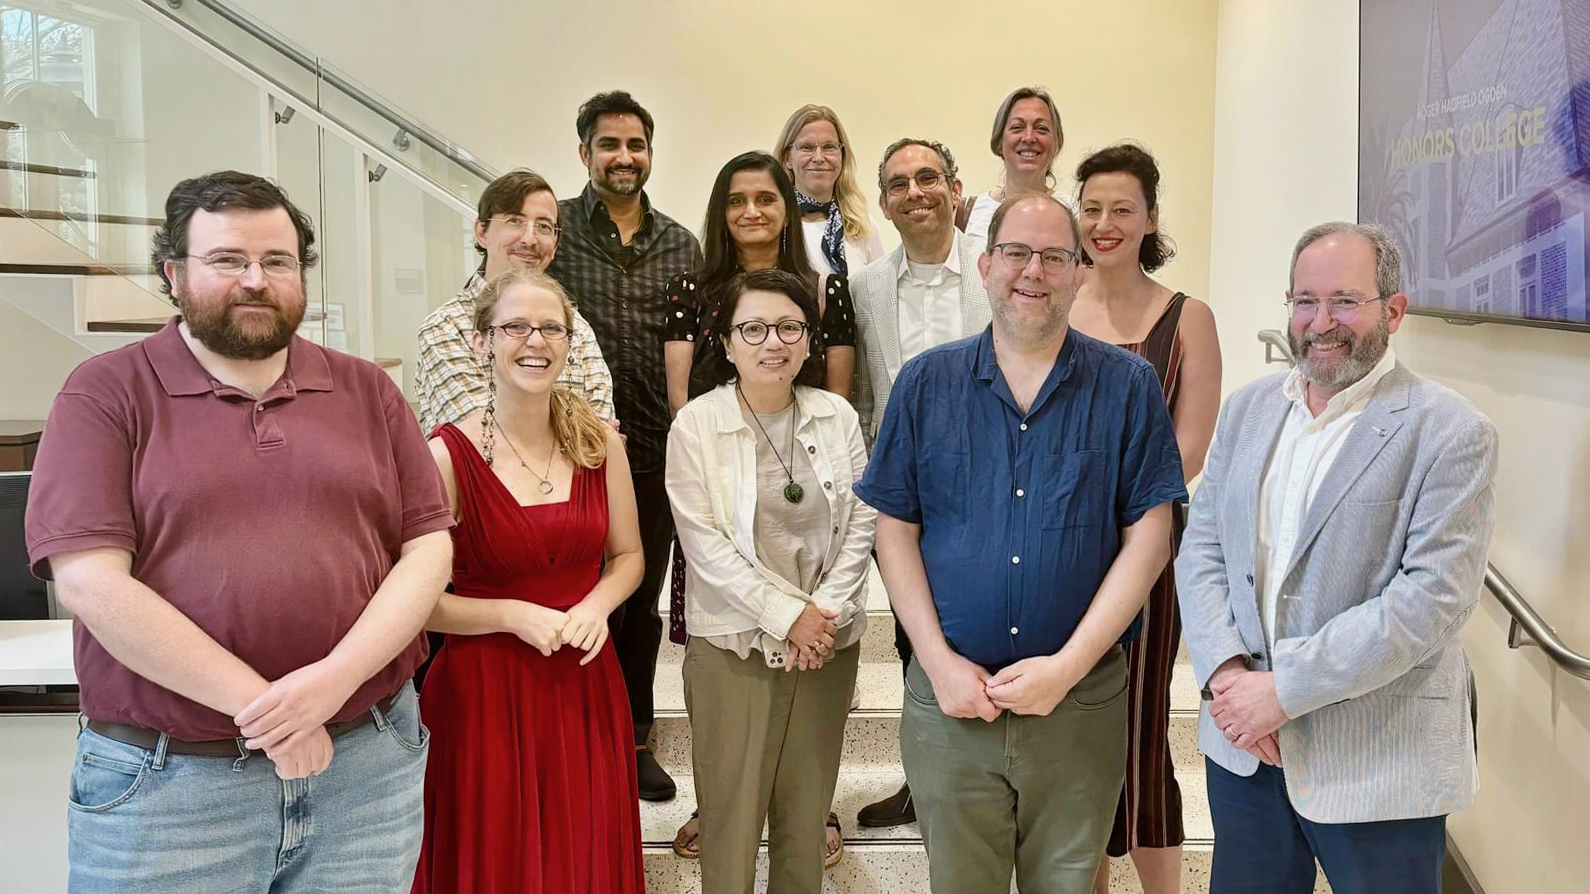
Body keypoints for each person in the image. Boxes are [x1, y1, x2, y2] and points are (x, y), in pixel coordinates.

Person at [24, 171, 455, 893]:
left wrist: (331, 685)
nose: (256, 279)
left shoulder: (367, 391)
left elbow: (428, 547)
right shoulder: (105, 393)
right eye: (228, 260)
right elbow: (90, 582)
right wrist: (278, 716)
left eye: (277, 261)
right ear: (173, 272)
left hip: (366, 771)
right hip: (171, 790)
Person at [855, 192, 1187, 893]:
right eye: (1015, 253)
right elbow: (894, 529)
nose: (1032, 271)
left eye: (1053, 256)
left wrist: (1067, 667)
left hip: (1079, 706)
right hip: (952, 707)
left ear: (1080, 272)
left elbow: (1150, 539)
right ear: (984, 264)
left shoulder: (1129, 387)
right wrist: (938, 662)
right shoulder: (926, 384)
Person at [1176, 222, 1498, 894]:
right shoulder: (1247, 412)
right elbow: (1202, 546)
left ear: (1395, 310)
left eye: (1346, 301)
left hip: (1379, 759)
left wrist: (1282, 692)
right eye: (1304, 301)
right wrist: (1226, 675)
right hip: (1244, 750)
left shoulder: (1450, 431)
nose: (1321, 323)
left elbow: (1431, 600)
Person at [412, 269, 645, 894]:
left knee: (581, 857)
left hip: (583, 683)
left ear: (569, 344)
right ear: (481, 342)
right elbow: (417, 605)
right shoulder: (445, 456)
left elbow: (628, 557)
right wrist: (512, 615)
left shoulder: (600, 444)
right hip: (483, 693)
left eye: (550, 328)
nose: (533, 340)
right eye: (514, 326)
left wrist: (596, 606)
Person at [661, 150, 860, 866]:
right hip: (737, 637)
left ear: (812, 338)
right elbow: (705, 543)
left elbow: (859, 527)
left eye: (788, 329)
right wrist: (789, 616)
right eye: (752, 330)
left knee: (805, 829)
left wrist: (823, 615)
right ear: (725, 342)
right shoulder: (698, 426)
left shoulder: (838, 418)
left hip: (827, 641)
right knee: (733, 827)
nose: (772, 342)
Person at [1067, 143, 1222, 894]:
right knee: (1071, 727)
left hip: (1150, 542)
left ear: (1151, 217)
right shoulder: (1053, 305)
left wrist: (1116, 515)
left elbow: (1187, 448)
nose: (1104, 223)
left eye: (1121, 208)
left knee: (1141, 720)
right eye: (1091, 207)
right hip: (1055, 549)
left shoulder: (1189, 318)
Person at [547, 90, 704, 801]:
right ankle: (569, 735)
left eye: (635, 145)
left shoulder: (680, 244)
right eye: (608, 145)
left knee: (635, 602)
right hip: (556, 451)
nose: (623, 157)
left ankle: (634, 737)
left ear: (650, 153)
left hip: (648, 455)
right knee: (565, 594)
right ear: (585, 153)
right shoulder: (552, 236)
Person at [849, 136, 992, 829]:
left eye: (928, 177)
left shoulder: (995, 271)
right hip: (906, 488)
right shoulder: (865, 286)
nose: (916, 192)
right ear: (883, 202)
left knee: (988, 625)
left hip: (994, 481)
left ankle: (993, 777)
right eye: (900, 183)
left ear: (955, 189)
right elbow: (869, 395)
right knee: (915, 635)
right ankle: (924, 778)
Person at [415, 168, 614, 433]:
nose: (530, 239)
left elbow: (602, 439)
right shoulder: (444, 329)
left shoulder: (577, 328)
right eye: (514, 221)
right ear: (482, 232)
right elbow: (479, 441)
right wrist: (578, 431)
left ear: (555, 245)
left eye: (544, 226)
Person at [774, 103, 887, 277]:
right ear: (787, 158)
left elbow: (881, 294)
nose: (819, 158)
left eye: (829, 147)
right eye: (807, 147)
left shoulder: (863, 226)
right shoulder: (775, 225)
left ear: (842, 156)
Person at [957, 86, 1066, 242]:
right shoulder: (968, 213)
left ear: (1056, 143)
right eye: (1017, 127)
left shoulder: (1074, 213)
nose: (1029, 138)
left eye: (1041, 129)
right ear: (999, 141)